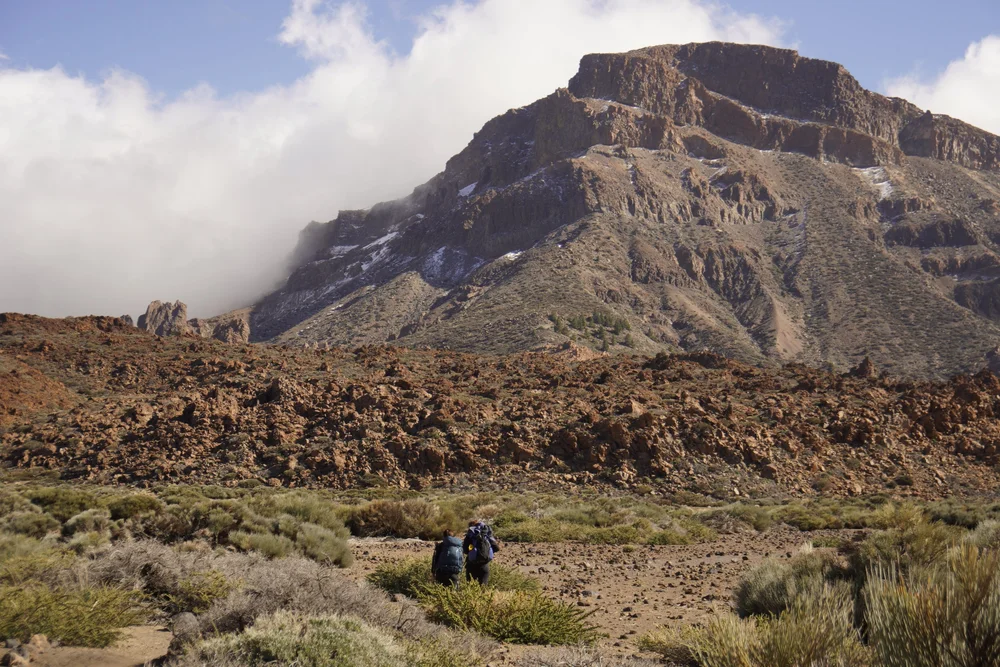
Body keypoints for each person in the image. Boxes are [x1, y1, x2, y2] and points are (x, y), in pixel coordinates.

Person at [462, 519, 500, 586]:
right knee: (483, 587)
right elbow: (496, 548)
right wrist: (487, 551)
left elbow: (465, 550)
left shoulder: (470, 535)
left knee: (470, 587)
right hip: (484, 564)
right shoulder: (486, 534)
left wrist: (472, 551)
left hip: (471, 564)